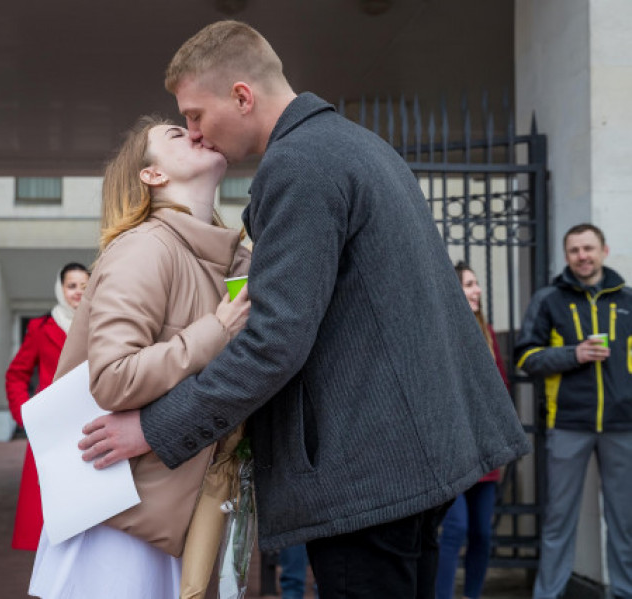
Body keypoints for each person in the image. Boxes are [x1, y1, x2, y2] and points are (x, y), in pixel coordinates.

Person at [78, 20, 531, 598]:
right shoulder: (361, 145)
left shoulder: (297, 165)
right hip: (425, 459)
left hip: (367, 475)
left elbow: (275, 342)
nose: (195, 131)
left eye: (194, 114)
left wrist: (157, 428)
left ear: (242, 96)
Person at [28, 115, 250, 598]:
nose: (195, 130)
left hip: (163, 513)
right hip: (116, 524)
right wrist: (217, 330)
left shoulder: (227, 258)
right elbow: (111, 378)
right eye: (175, 134)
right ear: (152, 175)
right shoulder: (144, 248)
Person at [515, 223, 632, 599]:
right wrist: (574, 354)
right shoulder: (549, 299)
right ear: (567, 256)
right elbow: (527, 357)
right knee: (558, 521)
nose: (582, 256)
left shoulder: (628, 300)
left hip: (623, 425)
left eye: (588, 248)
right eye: (575, 250)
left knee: (625, 522)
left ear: (604, 250)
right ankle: (548, 595)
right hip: (567, 423)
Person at [435, 262, 510, 599]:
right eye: (468, 284)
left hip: (486, 449)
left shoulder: (487, 333)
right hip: (452, 449)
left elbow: (502, 390)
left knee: (482, 533)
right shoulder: (440, 333)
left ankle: (474, 595)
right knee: (455, 529)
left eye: (476, 284)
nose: (477, 290)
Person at [4, 261, 90, 552]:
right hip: (50, 432)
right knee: (47, 519)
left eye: (85, 285)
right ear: (60, 289)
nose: (79, 292)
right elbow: (16, 375)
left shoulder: (104, 324)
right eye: (72, 285)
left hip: (92, 427)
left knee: (90, 512)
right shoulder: (41, 328)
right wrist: (26, 416)